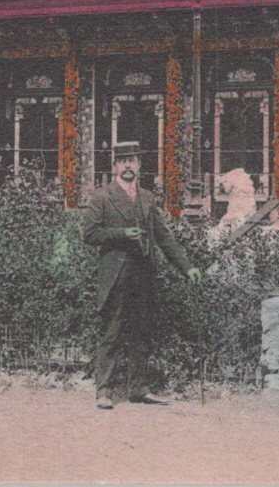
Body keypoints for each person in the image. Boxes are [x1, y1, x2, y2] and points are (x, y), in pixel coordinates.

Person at [81, 141, 201, 409]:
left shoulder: (147, 198)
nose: (127, 166)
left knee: (140, 332)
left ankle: (139, 388)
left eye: (132, 160)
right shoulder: (102, 197)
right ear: (114, 166)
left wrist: (186, 266)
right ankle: (104, 391)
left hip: (143, 273)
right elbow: (89, 235)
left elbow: (163, 236)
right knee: (111, 332)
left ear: (139, 165)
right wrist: (121, 234)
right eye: (122, 161)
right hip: (115, 275)